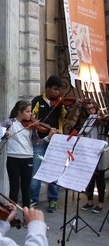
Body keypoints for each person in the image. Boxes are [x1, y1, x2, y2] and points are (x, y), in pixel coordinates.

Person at [0, 100, 57, 209]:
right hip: (13, 158)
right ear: (19, 112)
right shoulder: (10, 122)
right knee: (14, 187)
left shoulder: (31, 126)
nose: (31, 114)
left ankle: (26, 214)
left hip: (27, 158)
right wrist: (5, 132)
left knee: (26, 188)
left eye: (31, 111)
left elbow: (37, 142)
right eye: (28, 111)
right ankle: (11, 213)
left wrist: (49, 137)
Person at [30, 75, 69, 213]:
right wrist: (44, 126)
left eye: (59, 90)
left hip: (56, 142)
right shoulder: (37, 100)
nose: (57, 92)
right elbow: (31, 118)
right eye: (55, 89)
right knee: (36, 170)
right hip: (40, 141)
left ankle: (53, 199)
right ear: (47, 88)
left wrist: (76, 106)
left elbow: (67, 118)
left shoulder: (60, 103)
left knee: (54, 171)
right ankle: (32, 199)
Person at [67, 99, 107, 213]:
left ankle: (100, 203)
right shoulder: (83, 120)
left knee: (100, 178)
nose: (91, 111)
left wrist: (103, 122)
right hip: (87, 152)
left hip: (99, 151)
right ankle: (89, 202)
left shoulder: (102, 120)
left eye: (93, 108)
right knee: (89, 177)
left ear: (96, 107)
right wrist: (78, 135)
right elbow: (74, 131)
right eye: (88, 109)